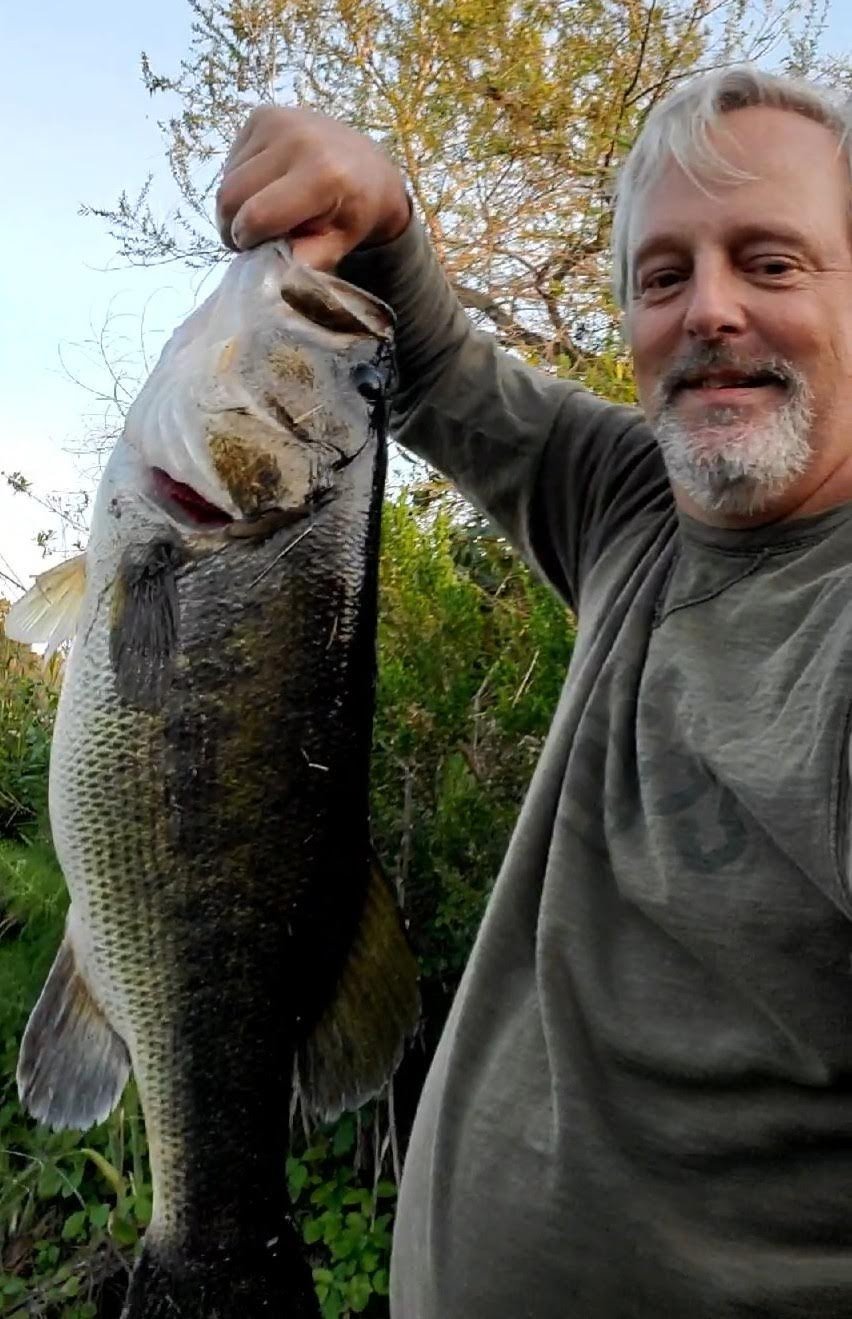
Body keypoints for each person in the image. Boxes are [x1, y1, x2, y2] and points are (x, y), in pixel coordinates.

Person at [217, 65, 852, 1318]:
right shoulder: (634, 506)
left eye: (771, 262)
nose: (709, 309)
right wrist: (377, 206)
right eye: (661, 277)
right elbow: (443, 370)